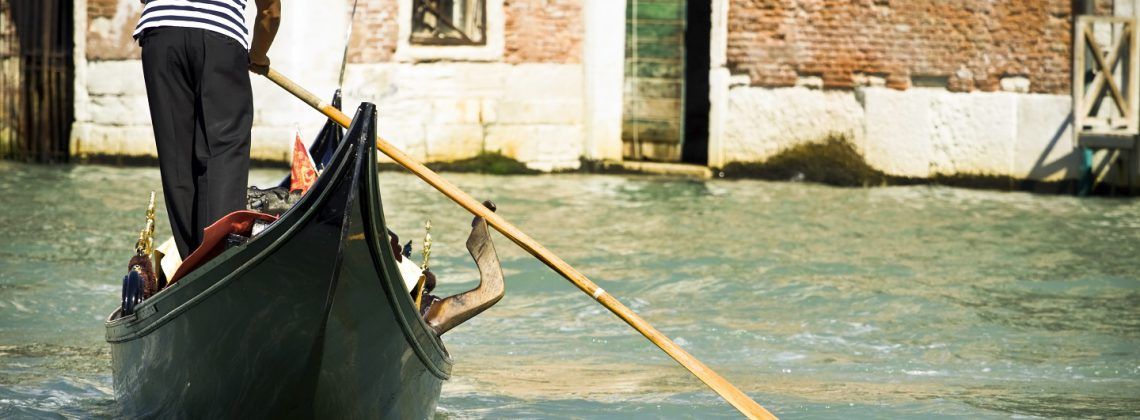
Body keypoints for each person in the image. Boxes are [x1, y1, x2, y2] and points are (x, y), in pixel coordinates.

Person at [134, 0, 281, 259]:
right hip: (219, 38)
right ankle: (216, 258)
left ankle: (192, 259)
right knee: (224, 150)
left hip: (160, 34)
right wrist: (257, 56)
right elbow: (271, 11)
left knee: (177, 157)